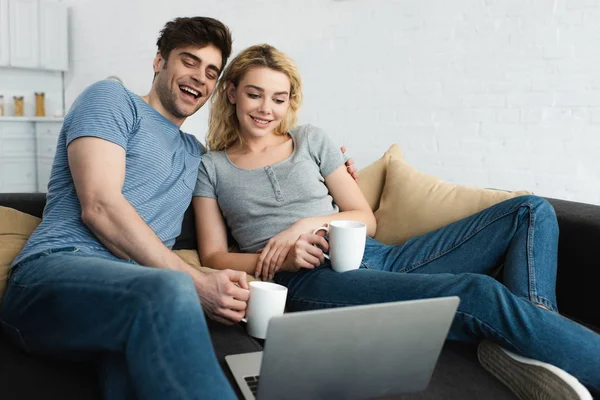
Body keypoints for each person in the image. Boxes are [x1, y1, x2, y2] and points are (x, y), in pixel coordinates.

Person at [193, 43, 600, 399]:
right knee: (477, 293)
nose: (267, 109)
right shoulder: (211, 168)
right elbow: (213, 254)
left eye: (279, 98)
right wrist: (280, 258)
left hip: (376, 254)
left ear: (290, 102)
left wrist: (302, 226)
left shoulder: (311, 140)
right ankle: (542, 345)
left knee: (529, 209)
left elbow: (364, 218)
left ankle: (529, 346)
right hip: (311, 278)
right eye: (255, 94)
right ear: (231, 93)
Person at [0, 17, 364, 400]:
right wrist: (196, 282)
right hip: (57, 271)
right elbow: (100, 206)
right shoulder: (112, 99)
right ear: (159, 61)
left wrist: (333, 173)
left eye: (210, 71)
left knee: (132, 379)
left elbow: (249, 191)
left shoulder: (198, 157)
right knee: (170, 290)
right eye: (188, 61)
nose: (198, 78)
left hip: (129, 297)